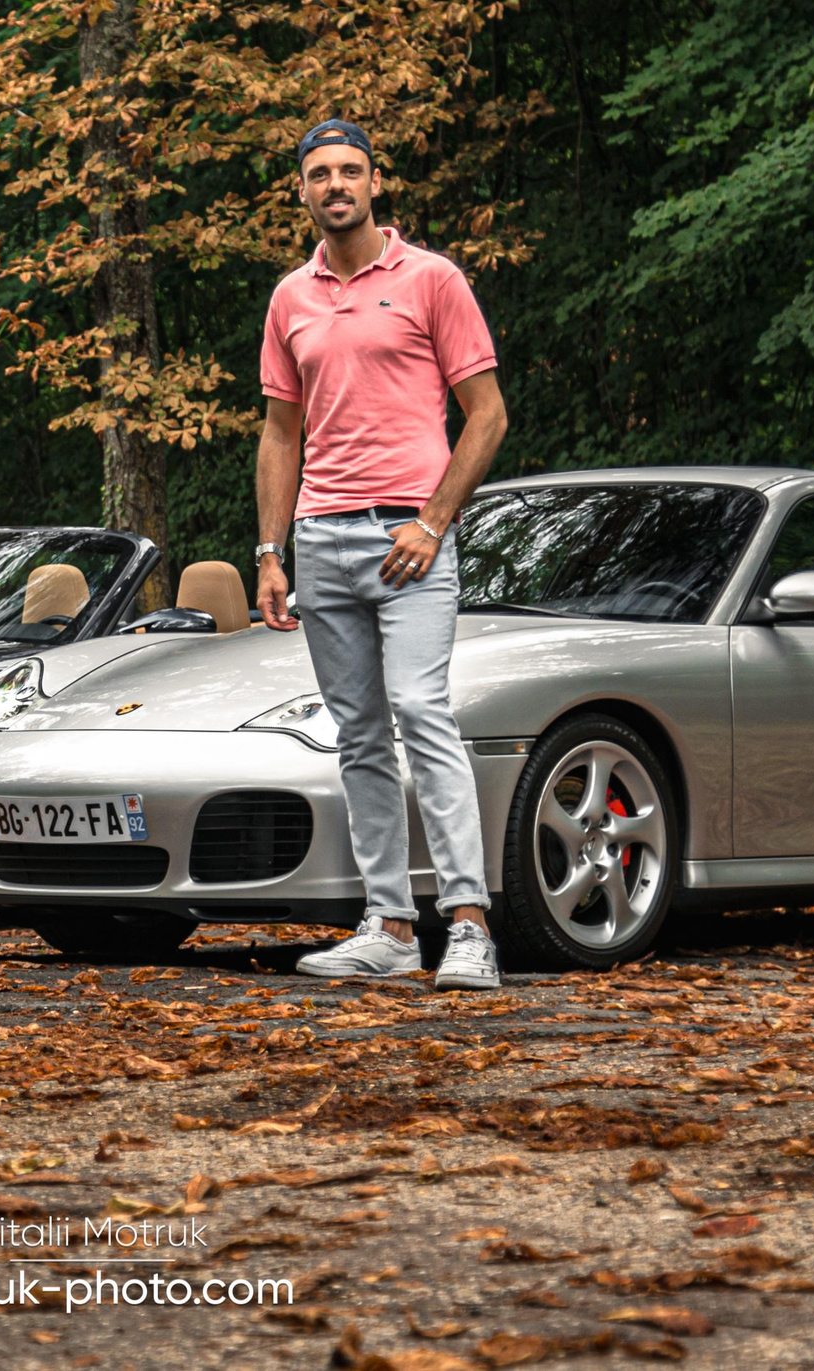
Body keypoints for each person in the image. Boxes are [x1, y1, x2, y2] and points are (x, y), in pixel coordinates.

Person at [254, 119, 510, 990]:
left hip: (412, 541)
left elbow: (488, 416)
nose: (336, 184)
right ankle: (390, 927)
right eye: (320, 173)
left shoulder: (432, 278)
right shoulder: (290, 297)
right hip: (322, 540)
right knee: (359, 735)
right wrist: (270, 552)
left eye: (350, 170)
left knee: (421, 711)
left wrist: (433, 521)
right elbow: (279, 432)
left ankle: (469, 925)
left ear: (374, 182)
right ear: (302, 190)